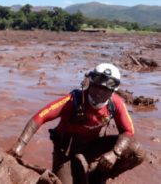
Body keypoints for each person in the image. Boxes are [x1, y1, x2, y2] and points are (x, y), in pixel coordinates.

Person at [8, 63, 145, 184]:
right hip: (66, 151)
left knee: (136, 151)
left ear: (113, 91)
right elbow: (40, 117)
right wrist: (20, 144)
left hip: (92, 147)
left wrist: (115, 153)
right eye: (96, 86)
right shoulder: (73, 100)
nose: (99, 92)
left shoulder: (116, 104)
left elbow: (128, 132)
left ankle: (99, 175)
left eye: (106, 89)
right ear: (90, 84)